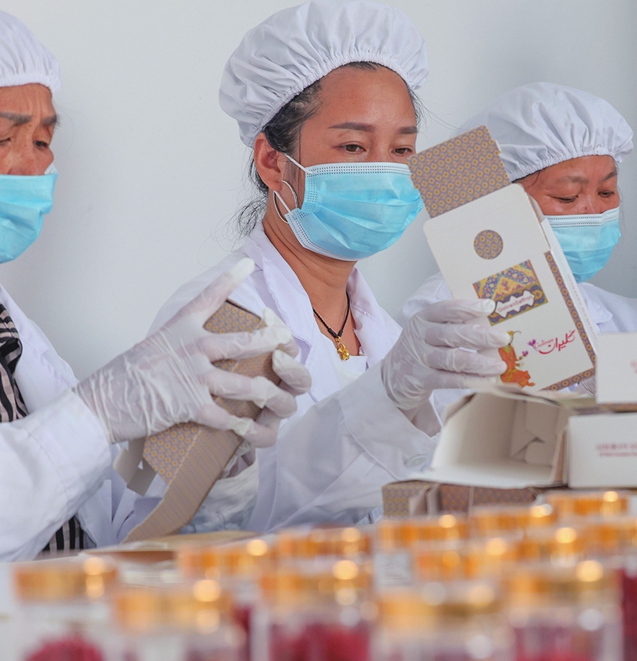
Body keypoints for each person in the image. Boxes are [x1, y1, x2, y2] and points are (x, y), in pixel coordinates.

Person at [0, 0, 310, 571]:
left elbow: (104, 537)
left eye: (43, 142)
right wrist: (94, 417)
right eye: (3, 139)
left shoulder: (7, 328)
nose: (33, 168)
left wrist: (213, 464)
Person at [149, 0, 508, 532]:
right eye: (353, 145)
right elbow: (176, 530)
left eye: (403, 149)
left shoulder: (384, 331)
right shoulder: (215, 320)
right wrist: (385, 398)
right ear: (272, 160)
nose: (384, 173)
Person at [402, 82, 637, 335]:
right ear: (497, 203)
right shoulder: (438, 314)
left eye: (606, 191)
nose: (595, 211)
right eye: (568, 196)